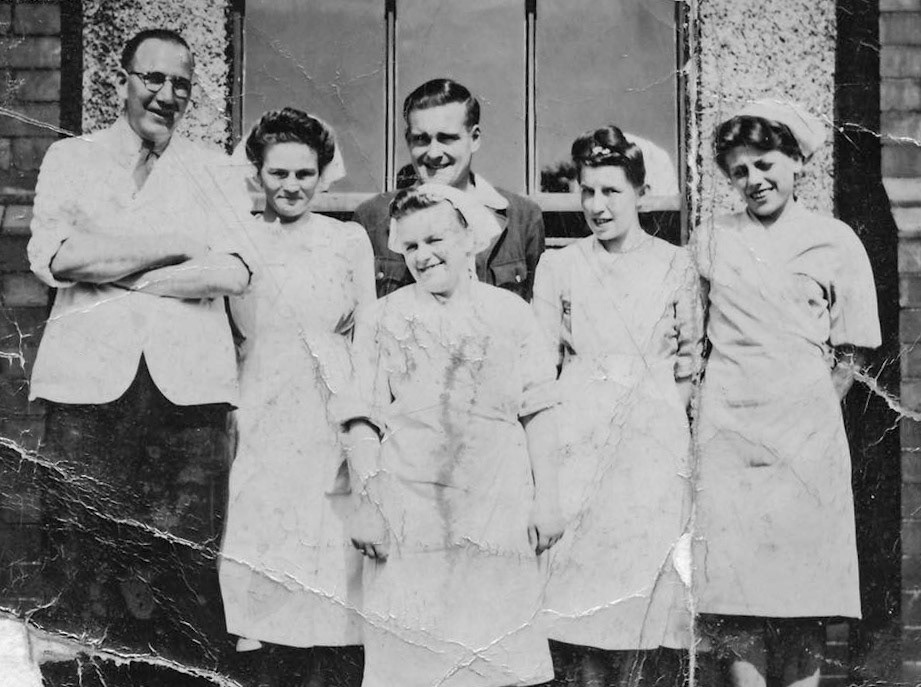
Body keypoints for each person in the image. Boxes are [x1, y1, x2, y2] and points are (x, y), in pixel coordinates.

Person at [26, 29, 252, 686]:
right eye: (153, 78)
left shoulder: (217, 169)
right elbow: (58, 259)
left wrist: (118, 266)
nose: (167, 94)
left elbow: (235, 270)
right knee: (79, 558)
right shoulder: (72, 159)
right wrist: (178, 242)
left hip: (188, 396)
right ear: (122, 80)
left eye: (181, 83)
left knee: (185, 564)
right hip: (85, 392)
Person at [691, 99, 882, 687]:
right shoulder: (710, 239)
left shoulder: (834, 240)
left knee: (803, 593)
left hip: (805, 436)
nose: (755, 180)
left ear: (797, 161)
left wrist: (809, 412)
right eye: (740, 171)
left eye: (766, 164)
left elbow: (852, 355)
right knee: (736, 591)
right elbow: (689, 341)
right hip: (728, 433)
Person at [343, 184, 565, 687]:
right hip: (411, 512)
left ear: (470, 238)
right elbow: (363, 418)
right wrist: (366, 504)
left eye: (436, 239)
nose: (424, 256)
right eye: (412, 245)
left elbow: (540, 410)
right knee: (414, 664)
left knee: (493, 661)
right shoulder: (383, 318)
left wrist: (547, 499)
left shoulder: (511, 314)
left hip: (496, 507)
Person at [533, 126, 701, 687]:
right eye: (587, 192)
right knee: (583, 603)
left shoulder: (675, 264)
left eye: (611, 191)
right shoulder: (561, 265)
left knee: (646, 603)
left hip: (652, 447)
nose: (597, 206)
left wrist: (655, 417)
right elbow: (541, 362)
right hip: (581, 438)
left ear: (640, 194)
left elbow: (688, 361)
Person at [218, 107, 375, 686]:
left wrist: (362, 423)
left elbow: (370, 334)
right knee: (263, 549)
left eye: (304, 174)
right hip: (260, 397)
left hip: (330, 407)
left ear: (322, 174)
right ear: (258, 173)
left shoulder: (346, 238)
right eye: (278, 173)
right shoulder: (239, 239)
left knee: (330, 558)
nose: (291, 186)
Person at [352, 78, 545, 301]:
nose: (433, 153)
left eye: (446, 138)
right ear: (408, 141)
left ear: (474, 139)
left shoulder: (523, 217)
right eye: (421, 139)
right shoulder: (372, 218)